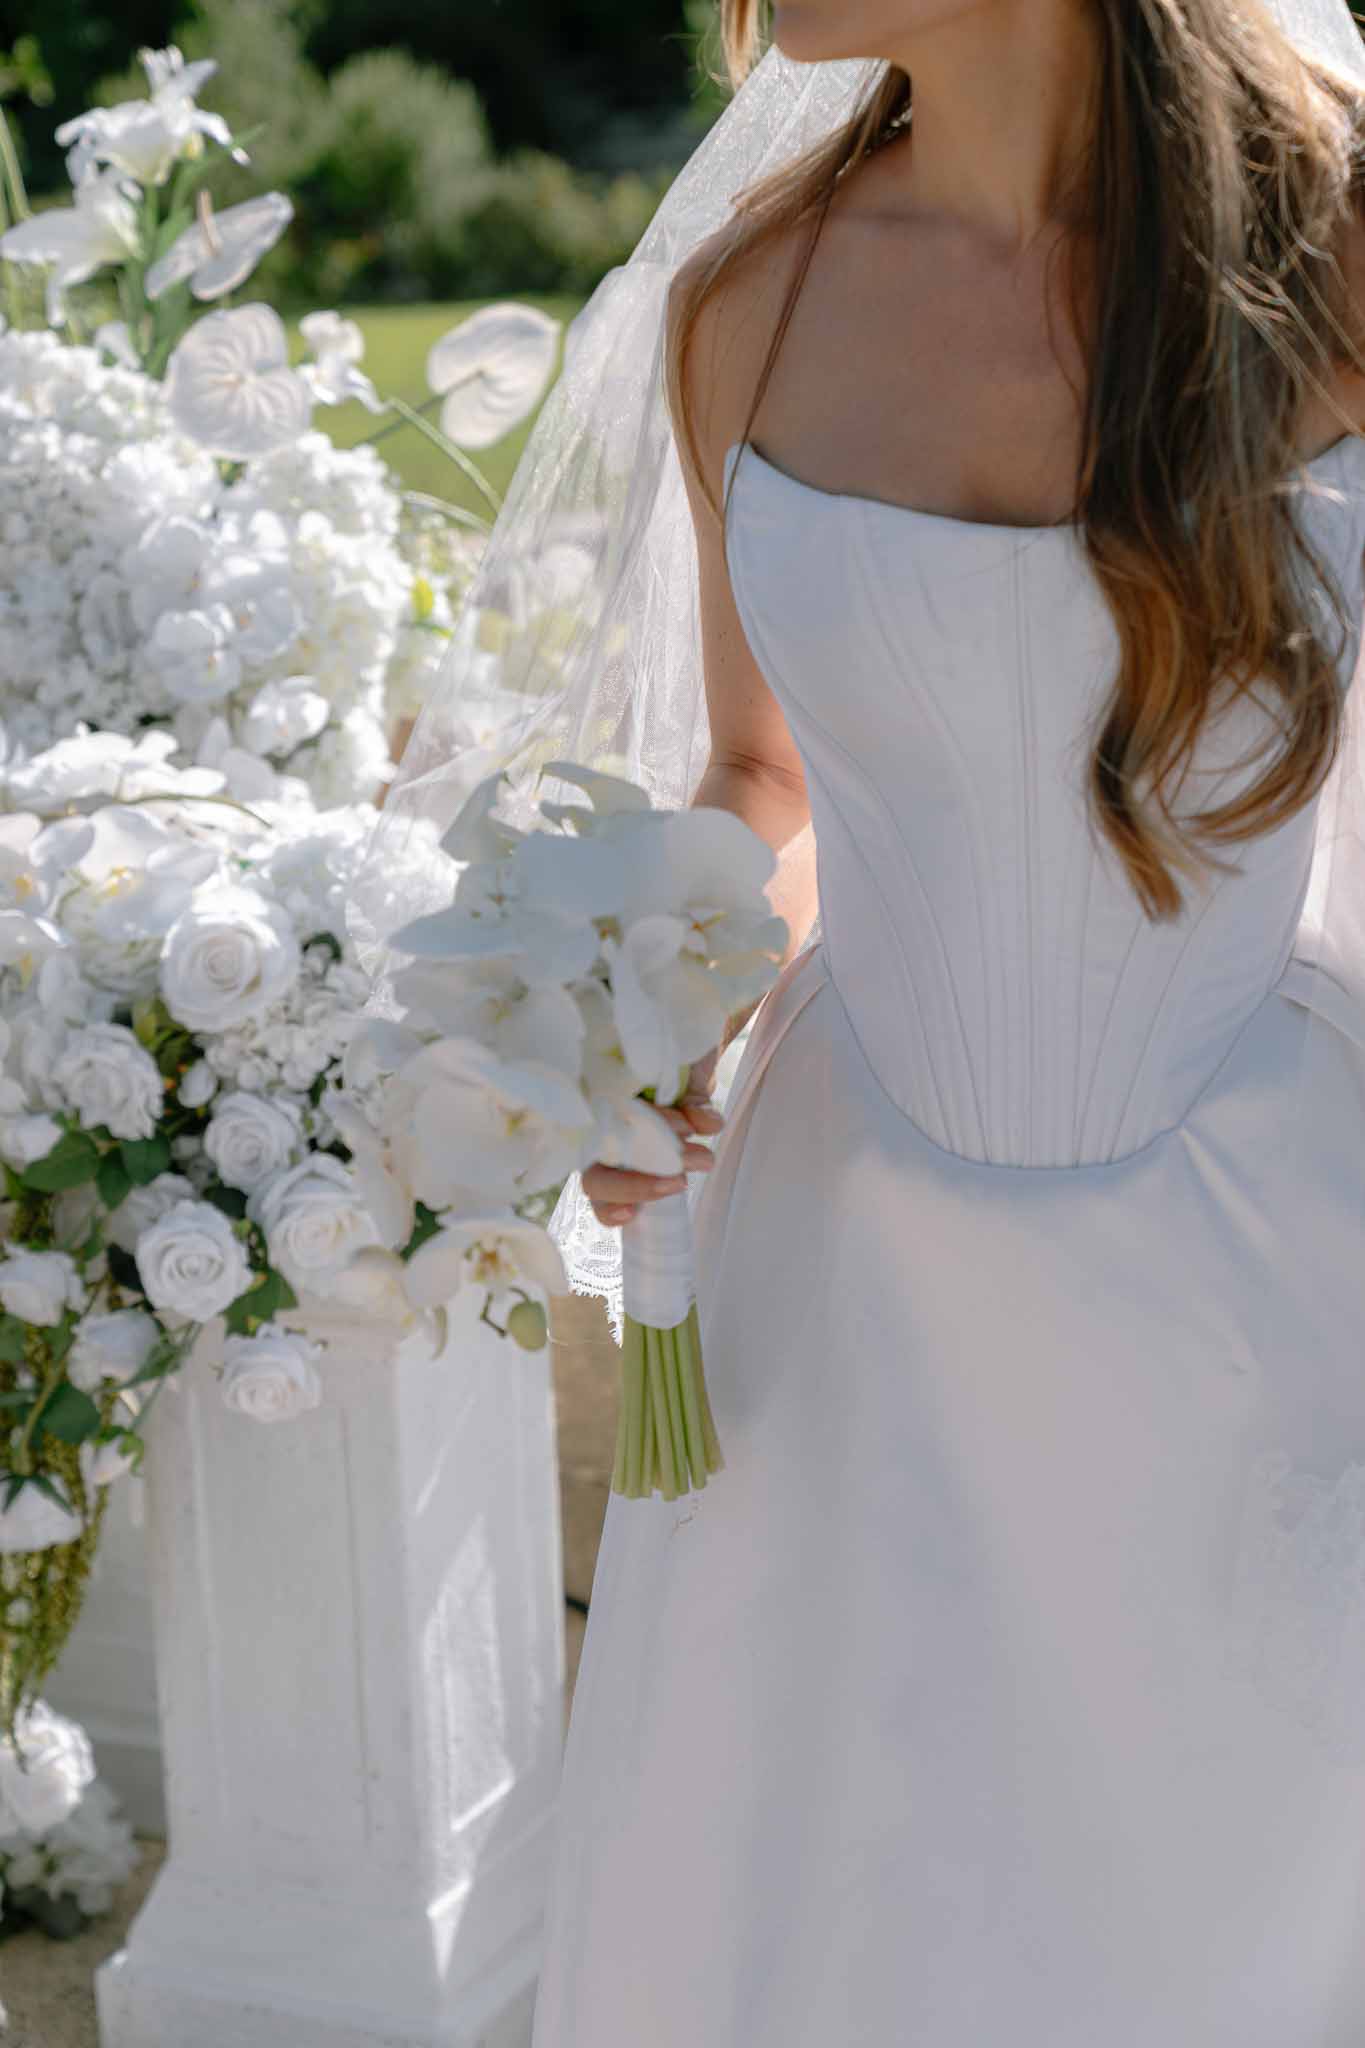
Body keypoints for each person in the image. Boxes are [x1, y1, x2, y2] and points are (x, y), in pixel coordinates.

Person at [521, 2, 1365, 2042]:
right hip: (849, 1285)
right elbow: (760, 780)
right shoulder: (751, 296)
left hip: (1260, 1276)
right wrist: (657, 1001)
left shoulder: (1339, 245)